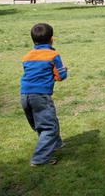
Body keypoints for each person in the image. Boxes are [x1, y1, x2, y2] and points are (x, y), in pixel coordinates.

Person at [20, 23, 68, 166]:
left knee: (46, 121)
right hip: (40, 96)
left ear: (33, 40)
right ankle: (39, 159)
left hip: (24, 95)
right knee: (48, 127)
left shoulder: (27, 56)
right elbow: (60, 76)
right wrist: (64, 70)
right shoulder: (53, 55)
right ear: (51, 39)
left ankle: (56, 143)